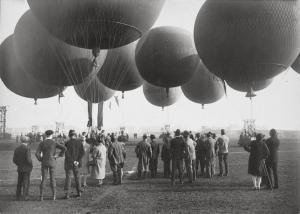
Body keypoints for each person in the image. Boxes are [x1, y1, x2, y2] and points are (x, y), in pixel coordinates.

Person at [35, 130, 66, 201]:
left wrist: (41, 159)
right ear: (51, 135)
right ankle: (54, 196)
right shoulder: (54, 142)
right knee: (53, 179)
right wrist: (58, 155)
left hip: (44, 162)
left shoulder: (42, 143)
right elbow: (64, 148)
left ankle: (41, 196)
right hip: (52, 162)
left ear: (46, 135)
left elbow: (37, 154)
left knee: (44, 179)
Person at [64, 130, 84, 199]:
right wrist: (77, 161)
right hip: (77, 164)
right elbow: (82, 153)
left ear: (69, 135)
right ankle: (79, 192)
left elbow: (67, 154)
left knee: (68, 178)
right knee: (78, 178)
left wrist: (73, 161)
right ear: (75, 135)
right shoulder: (80, 142)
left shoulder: (67, 143)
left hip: (69, 163)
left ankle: (67, 194)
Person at [13, 136, 33, 201]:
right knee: (26, 182)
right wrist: (31, 165)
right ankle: (25, 196)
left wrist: (19, 164)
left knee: (19, 182)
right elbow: (28, 159)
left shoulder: (17, 148)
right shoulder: (27, 148)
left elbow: (14, 160)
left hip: (20, 168)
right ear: (27, 141)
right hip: (26, 168)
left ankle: (18, 196)